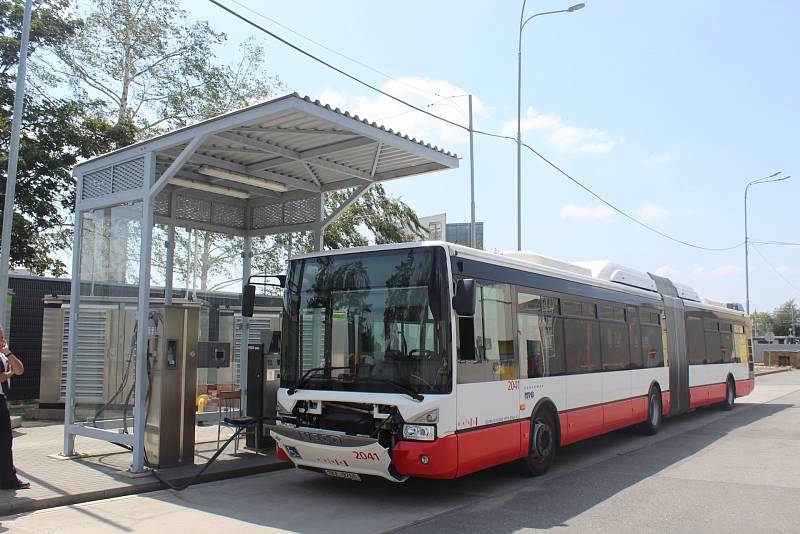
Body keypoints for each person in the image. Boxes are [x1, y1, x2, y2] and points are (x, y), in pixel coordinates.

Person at [0, 325, 29, 490]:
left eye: (2, 337)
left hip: (1, 401)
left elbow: (20, 370)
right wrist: (8, 374)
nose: (2, 340)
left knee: (5, 441)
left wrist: (9, 354)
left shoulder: (3, 356)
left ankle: (8, 478)